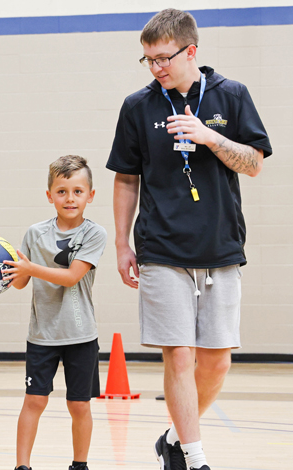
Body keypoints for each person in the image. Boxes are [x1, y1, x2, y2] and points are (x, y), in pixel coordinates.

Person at [107, 8, 272, 470]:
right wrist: (122, 243)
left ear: (191, 51)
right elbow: (125, 179)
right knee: (178, 355)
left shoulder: (232, 96)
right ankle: (195, 458)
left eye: (163, 57)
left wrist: (209, 138)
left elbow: (255, 163)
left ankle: (173, 438)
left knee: (216, 363)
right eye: (148, 60)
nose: (156, 67)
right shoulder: (137, 106)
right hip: (161, 249)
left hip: (220, 247)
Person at [1, 155, 107, 470]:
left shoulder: (94, 234)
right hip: (42, 335)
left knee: (79, 405)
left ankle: (79, 465)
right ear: (50, 196)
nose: (70, 198)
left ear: (90, 195)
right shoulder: (35, 233)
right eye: (62, 191)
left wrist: (32, 267)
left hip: (81, 334)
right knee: (34, 400)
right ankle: (22, 466)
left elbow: (72, 276)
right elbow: (20, 282)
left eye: (77, 191)